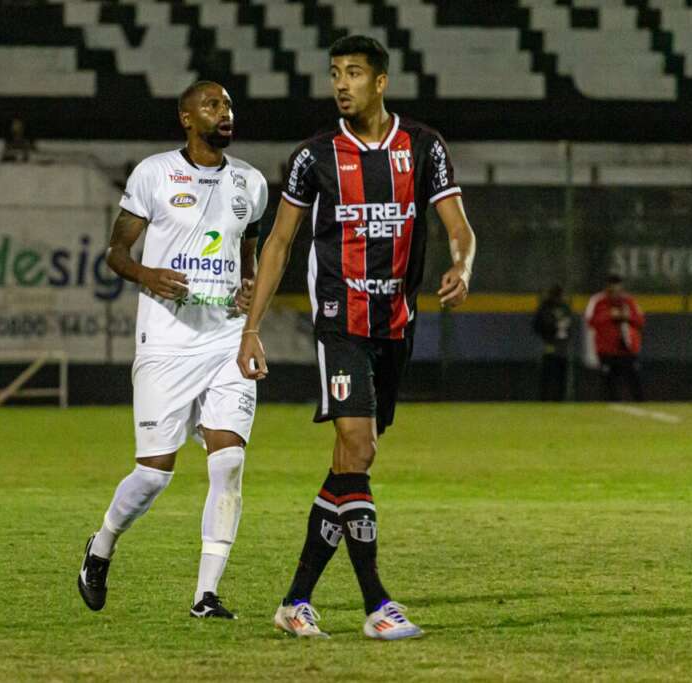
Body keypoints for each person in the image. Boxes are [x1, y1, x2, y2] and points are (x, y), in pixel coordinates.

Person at [236, 36, 476, 640]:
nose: (341, 84)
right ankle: (377, 605)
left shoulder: (423, 147)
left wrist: (463, 265)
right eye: (335, 73)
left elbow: (458, 226)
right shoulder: (313, 156)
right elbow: (281, 245)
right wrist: (251, 329)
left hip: (395, 327)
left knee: (349, 463)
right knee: (358, 447)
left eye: (353, 73)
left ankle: (296, 600)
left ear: (381, 81)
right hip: (341, 322)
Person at [77, 81, 268, 620]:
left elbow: (247, 255)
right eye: (212, 105)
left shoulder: (250, 183)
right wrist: (147, 275)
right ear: (186, 117)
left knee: (228, 462)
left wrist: (249, 291)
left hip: (226, 338)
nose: (224, 112)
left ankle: (205, 595)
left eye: (229, 104)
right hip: (165, 340)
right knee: (155, 473)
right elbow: (116, 252)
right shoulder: (154, 174)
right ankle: (102, 545)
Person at [584, 275, 645, 401]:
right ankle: (610, 405)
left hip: (627, 348)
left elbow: (640, 321)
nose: (615, 292)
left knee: (634, 378)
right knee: (609, 381)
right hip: (607, 350)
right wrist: (609, 315)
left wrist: (627, 317)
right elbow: (590, 321)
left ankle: (640, 403)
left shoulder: (629, 301)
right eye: (612, 288)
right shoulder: (598, 300)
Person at [532, 284, 573, 401]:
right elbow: (538, 326)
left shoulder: (564, 308)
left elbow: (570, 327)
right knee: (548, 374)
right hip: (549, 344)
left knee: (560, 375)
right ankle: (544, 398)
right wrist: (548, 335)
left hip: (562, 346)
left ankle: (560, 398)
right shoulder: (546, 308)